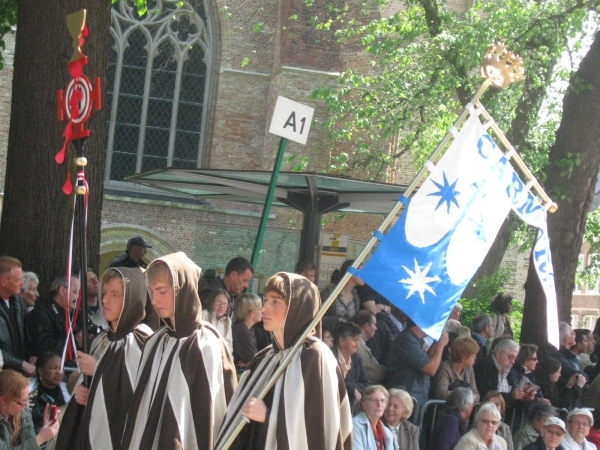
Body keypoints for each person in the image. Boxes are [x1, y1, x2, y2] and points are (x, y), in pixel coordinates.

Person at [215, 272, 352, 449]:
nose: (264, 308)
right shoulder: (265, 358)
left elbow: (316, 428)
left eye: (275, 301)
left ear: (297, 308)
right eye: (265, 300)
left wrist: (269, 417)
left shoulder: (315, 357)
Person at [122, 252, 236, 449]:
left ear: (183, 290)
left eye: (162, 291)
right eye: (151, 291)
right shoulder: (155, 342)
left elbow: (213, 413)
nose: (155, 300)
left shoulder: (208, 343)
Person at [55, 267, 154, 450]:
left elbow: (137, 393)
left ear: (131, 299)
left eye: (115, 295)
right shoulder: (101, 339)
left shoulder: (142, 340)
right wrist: (81, 391)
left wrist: (99, 368)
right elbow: (90, 387)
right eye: (105, 293)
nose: (105, 300)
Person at [385, 317, 449, 408]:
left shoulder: (414, 339)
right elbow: (430, 369)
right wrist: (441, 346)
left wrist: (436, 343)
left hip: (414, 398)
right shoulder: (407, 340)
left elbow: (427, 360)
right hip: (406, 398)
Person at [27, 274, 81, 364]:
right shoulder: (42, 313)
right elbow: (45, 348)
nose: (79, 298)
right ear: (62, 290)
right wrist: (76, 342)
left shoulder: (76, 312)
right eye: (75, 292)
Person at [0, 369, 59, 449]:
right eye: (22, 401)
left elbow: (31, 444)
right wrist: (40, 438)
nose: (27, 404)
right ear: (4, 400)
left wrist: (47, 433)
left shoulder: (23, 412)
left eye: (27, 398)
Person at [0, 257, 33, 376]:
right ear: (4, 281)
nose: (22, 283)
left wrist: (31, 355)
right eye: (18, 280)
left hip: (18, 375)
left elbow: (25, 334)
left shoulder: (18, 301)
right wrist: (21, 364)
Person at [27, 352, 70, 433]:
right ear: (40, 370)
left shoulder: (68, 390)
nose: (59, 372)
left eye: (61, 368)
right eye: (53, 368)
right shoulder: (28, 391)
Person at [331, 321, 370, 407]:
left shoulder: (356, 358)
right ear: (341, 341)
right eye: (354, 340)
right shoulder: (328, 357)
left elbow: (366, 383)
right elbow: (330, 384)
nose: (357, 344)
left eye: (358, 340)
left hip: (348, 407)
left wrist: (353, 388)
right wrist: (352, 389)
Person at [432, 336, 480, 402]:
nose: (475, 358)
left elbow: (476, 394)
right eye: (473, 356)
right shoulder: (445, 368)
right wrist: (467, 396)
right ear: (463, 357)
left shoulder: (469, 369)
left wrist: (470, 397)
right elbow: (441, 394)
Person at [353, 385, 394, 450]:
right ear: (363, 404)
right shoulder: (354, 425)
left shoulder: (388, 432)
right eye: (374, 400)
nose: (379, 404)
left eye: (383, 400)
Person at [231, 292, 262, 371]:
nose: (263, 311)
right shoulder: (242, 331)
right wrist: (250, 362)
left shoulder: (248, 328)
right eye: (260, 309)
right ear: (252, 313)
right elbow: (253, 362)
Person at [354, 310, 385, 384]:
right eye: (374, 324)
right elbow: (375, 374)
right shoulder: (357, 347)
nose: (376, 328)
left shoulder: (362, 345)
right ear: (366, 326)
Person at [202, 288, 233, 353]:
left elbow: (229, 344)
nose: (222, 306)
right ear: (211, 302)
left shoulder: (228, 321)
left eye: (225, 304)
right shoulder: (204, 315)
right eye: (218, 303)